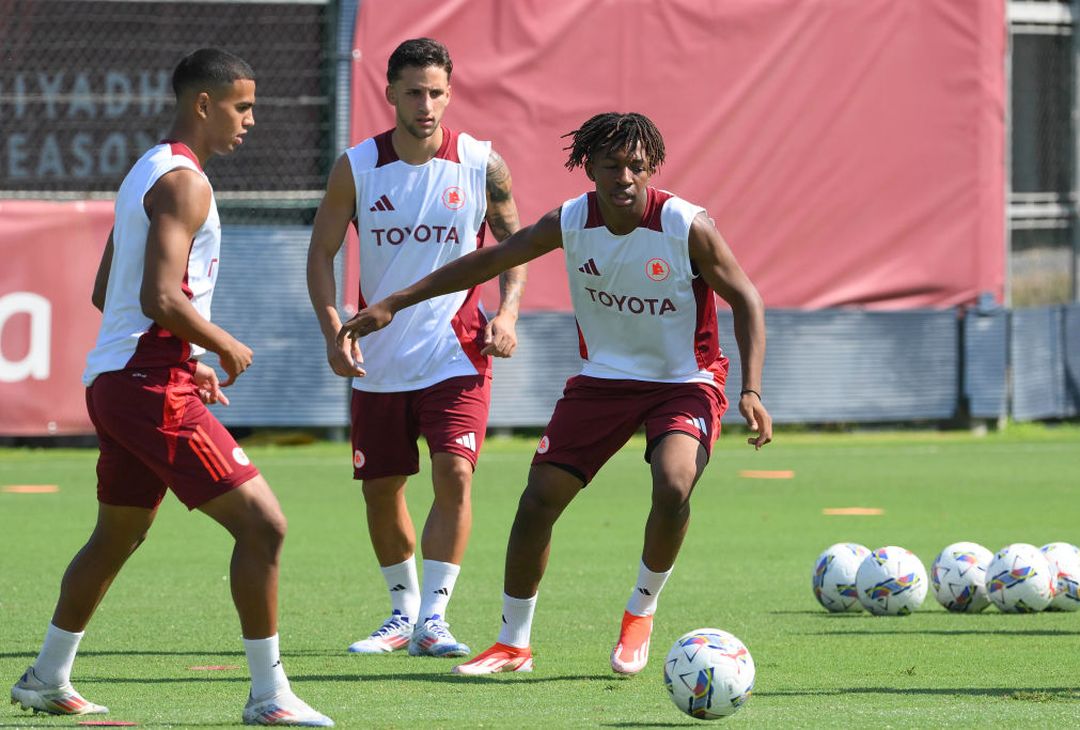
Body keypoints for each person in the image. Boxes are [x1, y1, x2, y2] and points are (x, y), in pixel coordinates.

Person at [338, 112, 773, 676]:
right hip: (603, 380)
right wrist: (395, 302)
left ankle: (641, 610)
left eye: (636, 166)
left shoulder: (684, 225)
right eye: (611, 166)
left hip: (684, 381)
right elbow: (490, 258)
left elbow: (747, 299)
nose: (624, 178)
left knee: (673, 484)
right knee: (538, 499)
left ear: (652, 169)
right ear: (588, 167)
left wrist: (751, 389)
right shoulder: (571, 220)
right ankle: (513, 644)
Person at [9, 49, 333, 726]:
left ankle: (46, 676)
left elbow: (107, 290)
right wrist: (221, 344)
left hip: (122, 380)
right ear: (203, 104)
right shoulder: (186, 184)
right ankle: (269, 696)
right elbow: (159, 297)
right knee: (265, 526)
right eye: (242, 106)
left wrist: (189, 355)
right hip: (148, 385)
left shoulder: (147, 169)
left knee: (117, 535)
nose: (251, 120)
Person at [306, 37, 526, 659]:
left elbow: (516, 245)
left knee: (454, 472)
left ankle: (435, 617)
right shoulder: (357, 166)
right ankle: (402, 613)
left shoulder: (482, 164)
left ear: (450, 94)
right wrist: (333, 331)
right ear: (390, 94)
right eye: (413, 93)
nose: (425, 105)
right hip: (378, 358)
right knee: (382, 488)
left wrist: (508, 313)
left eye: (435, 93)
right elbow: (321, 254)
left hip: (457, 352)